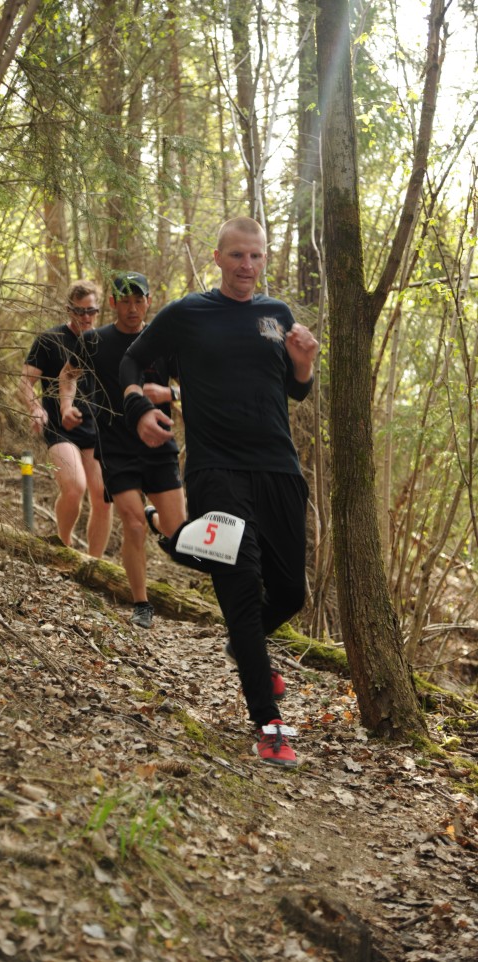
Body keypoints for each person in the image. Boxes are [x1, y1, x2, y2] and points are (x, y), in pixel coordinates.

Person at [119, 217, 319, 767]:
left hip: (279, 469)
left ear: (263, 258)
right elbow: (132, 359)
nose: (246, 266)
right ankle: (270, 725)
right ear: (217, 257)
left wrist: (303, 364)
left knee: (290, 593)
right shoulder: (188, 314)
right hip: (217, 471)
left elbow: (295, 391)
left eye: (254, 257)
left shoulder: (276, 316)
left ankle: (198, 569)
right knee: (238, 587)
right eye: (236, 256)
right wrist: (139, 409)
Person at [59, 271, 185, 629]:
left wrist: (170, 394)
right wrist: (66, 406)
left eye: (138, 300)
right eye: (124, 301)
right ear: (112, 303)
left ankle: (153, 517)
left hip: (160, 443)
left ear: (148, 301)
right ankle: (141, 603)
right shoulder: (95, 341)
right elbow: (68, 375)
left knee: (177, 531)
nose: (132, 308)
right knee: (131, 525)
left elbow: (197, 387)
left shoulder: (163, 342)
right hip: (115, 445)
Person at [20, 279, 112, 557]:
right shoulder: (50, 340)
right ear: (69, 310)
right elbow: (24, 384)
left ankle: (95, 566)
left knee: (104, 498)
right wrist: (36, 408)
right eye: (80, 311)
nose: (86, 317)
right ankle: (64, 546)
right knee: (75, 487)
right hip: (61, 428)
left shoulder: (104, 341)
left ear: (98, 311)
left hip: (96, 430)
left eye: (91, 311)